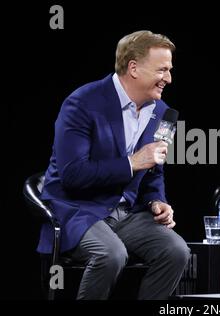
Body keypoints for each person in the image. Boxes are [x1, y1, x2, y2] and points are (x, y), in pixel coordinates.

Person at [38, 30, 190, 299]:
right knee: (111, 254)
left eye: (169, 70)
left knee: (177, 251)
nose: (169, 78)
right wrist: (132, 162)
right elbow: (72, 175)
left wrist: (157, 201)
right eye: (162, 70)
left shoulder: (163, 113)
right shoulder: (83, 103)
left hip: (125, 213)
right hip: (78, 209)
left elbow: (154, 171)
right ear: (133, 67)